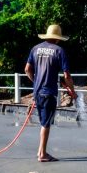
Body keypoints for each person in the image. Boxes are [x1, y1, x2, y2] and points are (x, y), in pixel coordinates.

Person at [25, 24, 77, 162]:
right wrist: (72, 91)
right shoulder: (59, 51)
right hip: (49, 92)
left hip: (37, 92)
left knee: (43, 122)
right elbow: (67, 76)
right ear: (58, 38)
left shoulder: (35, 48)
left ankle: (40, 151)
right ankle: (43, 154)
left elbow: (27, 69)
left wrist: (36, 81)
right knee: (46, 124)